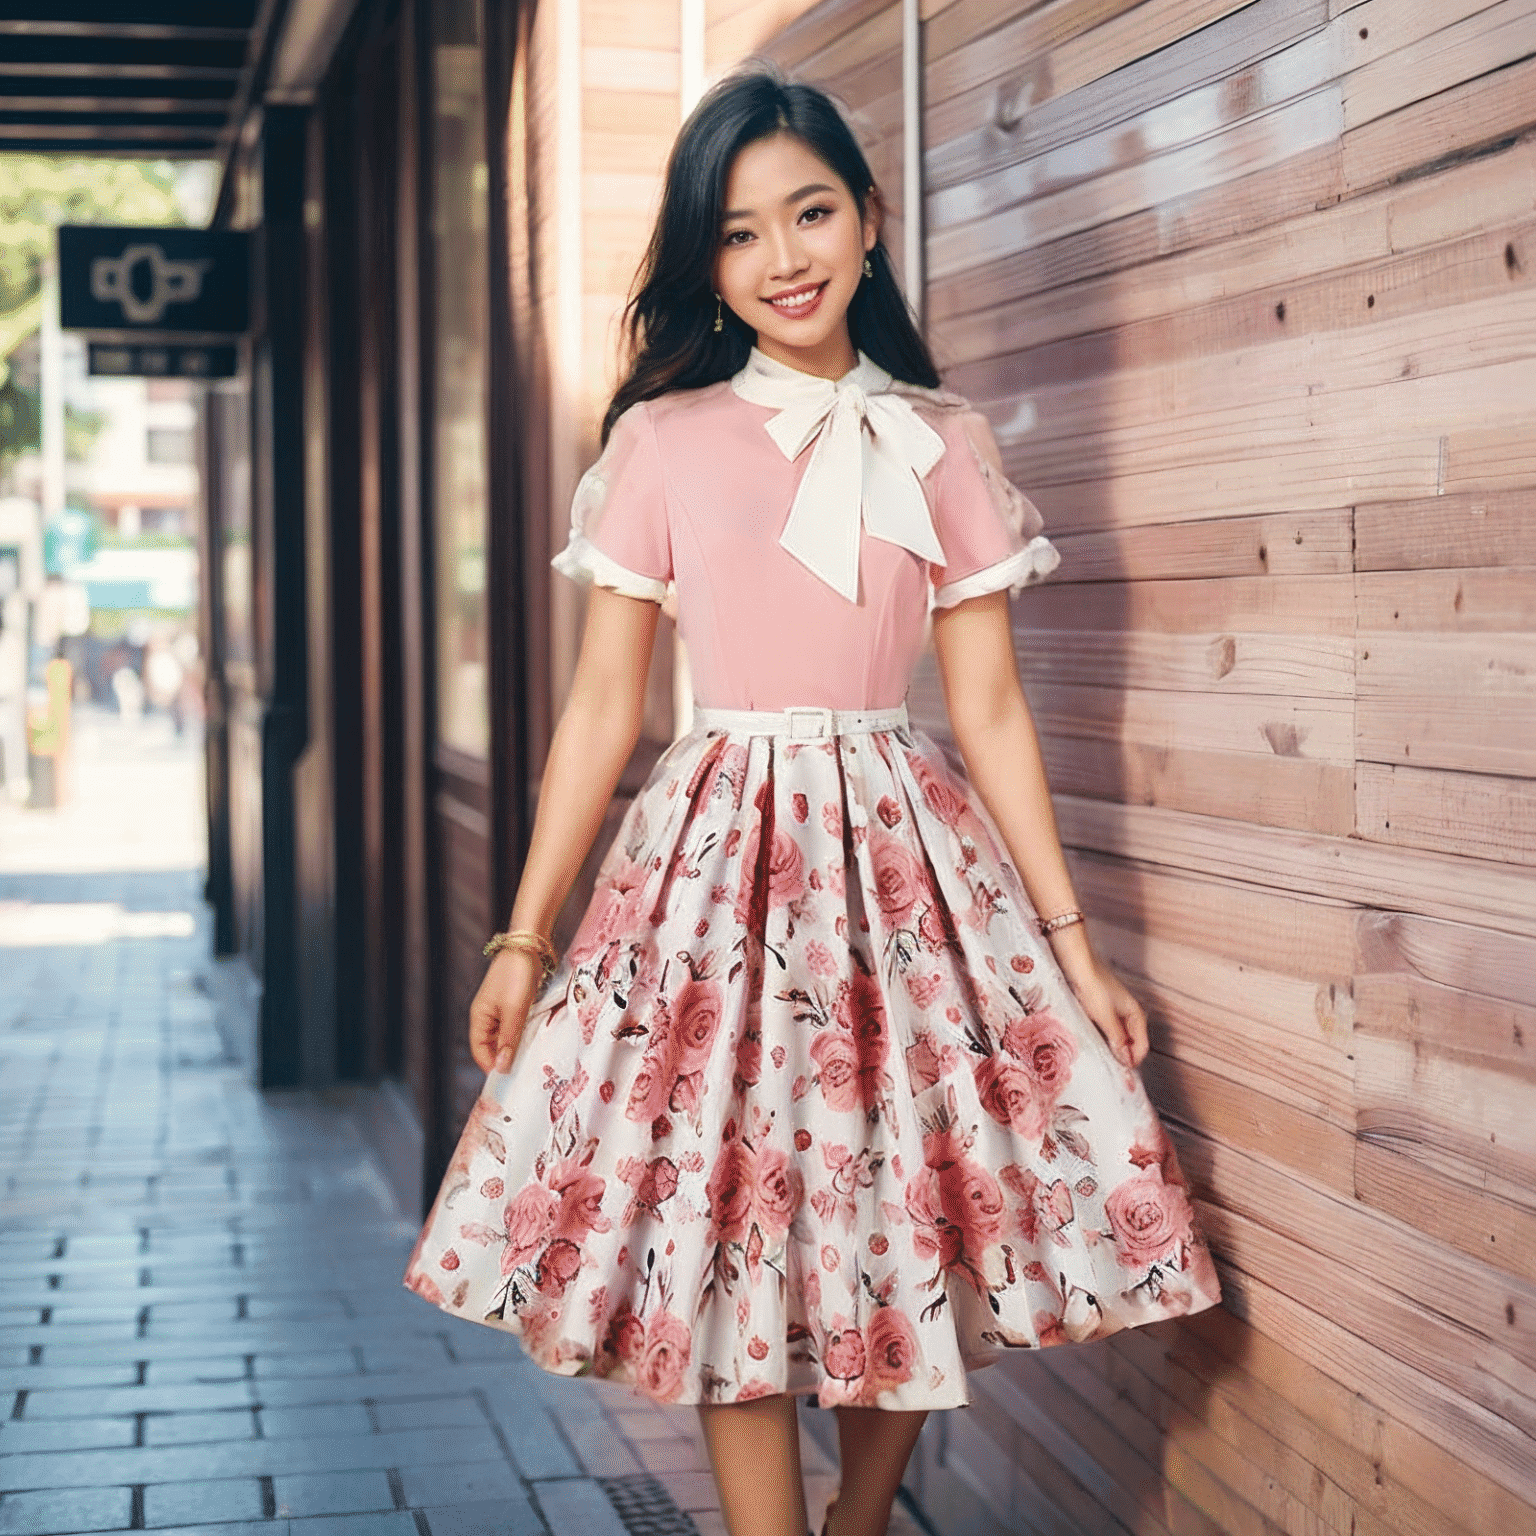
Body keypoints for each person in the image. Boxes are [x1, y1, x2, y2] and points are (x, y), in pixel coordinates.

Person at [404, 65, 1223, 1536]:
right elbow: (605, 708)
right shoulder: (660, 442)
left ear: (868, 222)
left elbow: (984, 706)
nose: (782, 258)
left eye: (810, 214)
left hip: (904, 867)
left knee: (900, 1200)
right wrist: (523, 935)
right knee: (734, 1219)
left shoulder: (942, 439)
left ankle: (861, 1515)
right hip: (713, 863)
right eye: (738, 233)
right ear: (705, 259)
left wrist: (1071, 943)